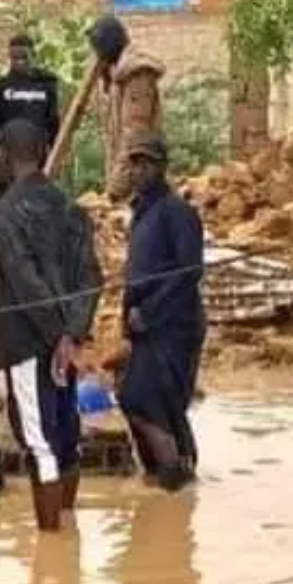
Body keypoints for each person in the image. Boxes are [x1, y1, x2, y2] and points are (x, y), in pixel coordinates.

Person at [0, 119, 103, 531]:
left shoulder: (3, 214)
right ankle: (67, 535)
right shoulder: (70, 208)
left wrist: (58, 336)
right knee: (66, 430)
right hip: (65, 343)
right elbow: (92, 276)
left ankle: (52, 551)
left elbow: (25, 281)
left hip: (27, 342)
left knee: (39, 442)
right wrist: (72, 334)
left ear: (5, 154)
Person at [118, 131, 205, 492]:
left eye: (145, 163)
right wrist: (128, 313)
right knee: (161, 404)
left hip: (173, 324)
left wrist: (149, 312)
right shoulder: (141, 212)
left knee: (139, 398)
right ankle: (167, 479)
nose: (138, 170)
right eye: (133, 163)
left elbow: (189, 271)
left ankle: (172, 475)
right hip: (146, 325)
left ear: (161, 167)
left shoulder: (177, 212)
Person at [87, 14, 166, 203]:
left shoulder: (137, 77)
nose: (98, 57)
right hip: (130, 181)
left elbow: (134, 137)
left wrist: (115, 188)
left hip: (139, 182)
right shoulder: (120, 75)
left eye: (98, 50)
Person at [0, 34, 61, 158]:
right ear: (10, 58)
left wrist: (54, 147)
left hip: (38, 150)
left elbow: (53, 119)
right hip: (10, 151)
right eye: (15, 58)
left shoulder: (46, 83)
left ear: (33, 55)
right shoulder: (0, 87)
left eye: (24, 57)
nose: (20, 62)